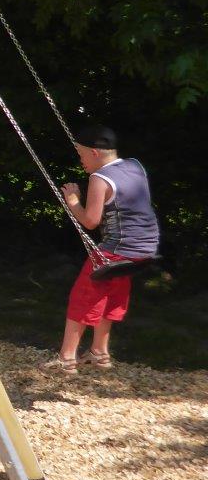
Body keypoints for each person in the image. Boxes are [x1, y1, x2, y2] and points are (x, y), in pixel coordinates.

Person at [42, 125, 159, 372]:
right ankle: (99, 353)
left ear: (95, 152)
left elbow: (90, 221)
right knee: (112, 294)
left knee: (83, 296)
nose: (81, 160)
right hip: (144, 249)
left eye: (81, 154)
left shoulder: (100, 178)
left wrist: (73, 201)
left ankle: (66, 359)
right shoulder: (135, 166)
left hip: (117, 250)